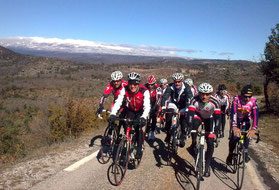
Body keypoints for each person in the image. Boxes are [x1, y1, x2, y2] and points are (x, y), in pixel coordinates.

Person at [109, 72, 150, 158]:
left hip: (140, 111)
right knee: (127, 123)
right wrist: (113, 113)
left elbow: (147, 106)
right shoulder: (125, 89)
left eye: (135, 84)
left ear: (138, 84)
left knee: (138, 128)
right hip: (131, 110)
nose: (132, 86)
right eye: (130, 83)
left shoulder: (144, 91)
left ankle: (139, 148)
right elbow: (118, 101)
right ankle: (127, 140)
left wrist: (143, 117)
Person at [187, 82, 221, 177]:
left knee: (210, 142)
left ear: (210, 94)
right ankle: (193, 143)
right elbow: (190, 113)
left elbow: (218, 117)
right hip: (198, 116)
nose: (204, 96)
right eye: (202, 93)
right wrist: (189, 126)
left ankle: (207, 165)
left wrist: (216, 130)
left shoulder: (215, 102)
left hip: (209, 118)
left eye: (207, 94)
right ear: (199, 93)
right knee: (194, 126)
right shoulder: (194, 100)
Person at [226, 85, 259, 165]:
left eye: (249, 97)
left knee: (247, 134)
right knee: (234, 137)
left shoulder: (254, 102)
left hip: (245, 119)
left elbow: (255, 115)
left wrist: (254, 128)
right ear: (241, 95)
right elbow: (233, 113)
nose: (247, 99)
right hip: (236, 119)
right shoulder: (236, 99)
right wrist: (234, 126)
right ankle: (230, 155)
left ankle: (245, 151)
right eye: (245, 96)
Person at [161, 73, 193, 147]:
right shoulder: (170, 86)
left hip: (184, 105)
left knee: (183, 120)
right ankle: (168, 135)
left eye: (179, 81)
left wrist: (189, 109)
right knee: (168, 115)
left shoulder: (186, 87)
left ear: (182, 81)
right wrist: (163, 107)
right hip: (174, 103)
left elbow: (190, 98)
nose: (177, 83)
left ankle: (182, 136)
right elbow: (165, 97)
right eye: (175, 81)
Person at [145, 75, 162, 140]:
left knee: (153, 117)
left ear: (154, 84)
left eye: (152, 85)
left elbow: (158, 100)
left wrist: (155, 108)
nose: (150, 86)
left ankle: (152, 132)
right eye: (149, 84)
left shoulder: (158, 89)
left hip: (155, 103)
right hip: (147, 102)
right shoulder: (145, 86)